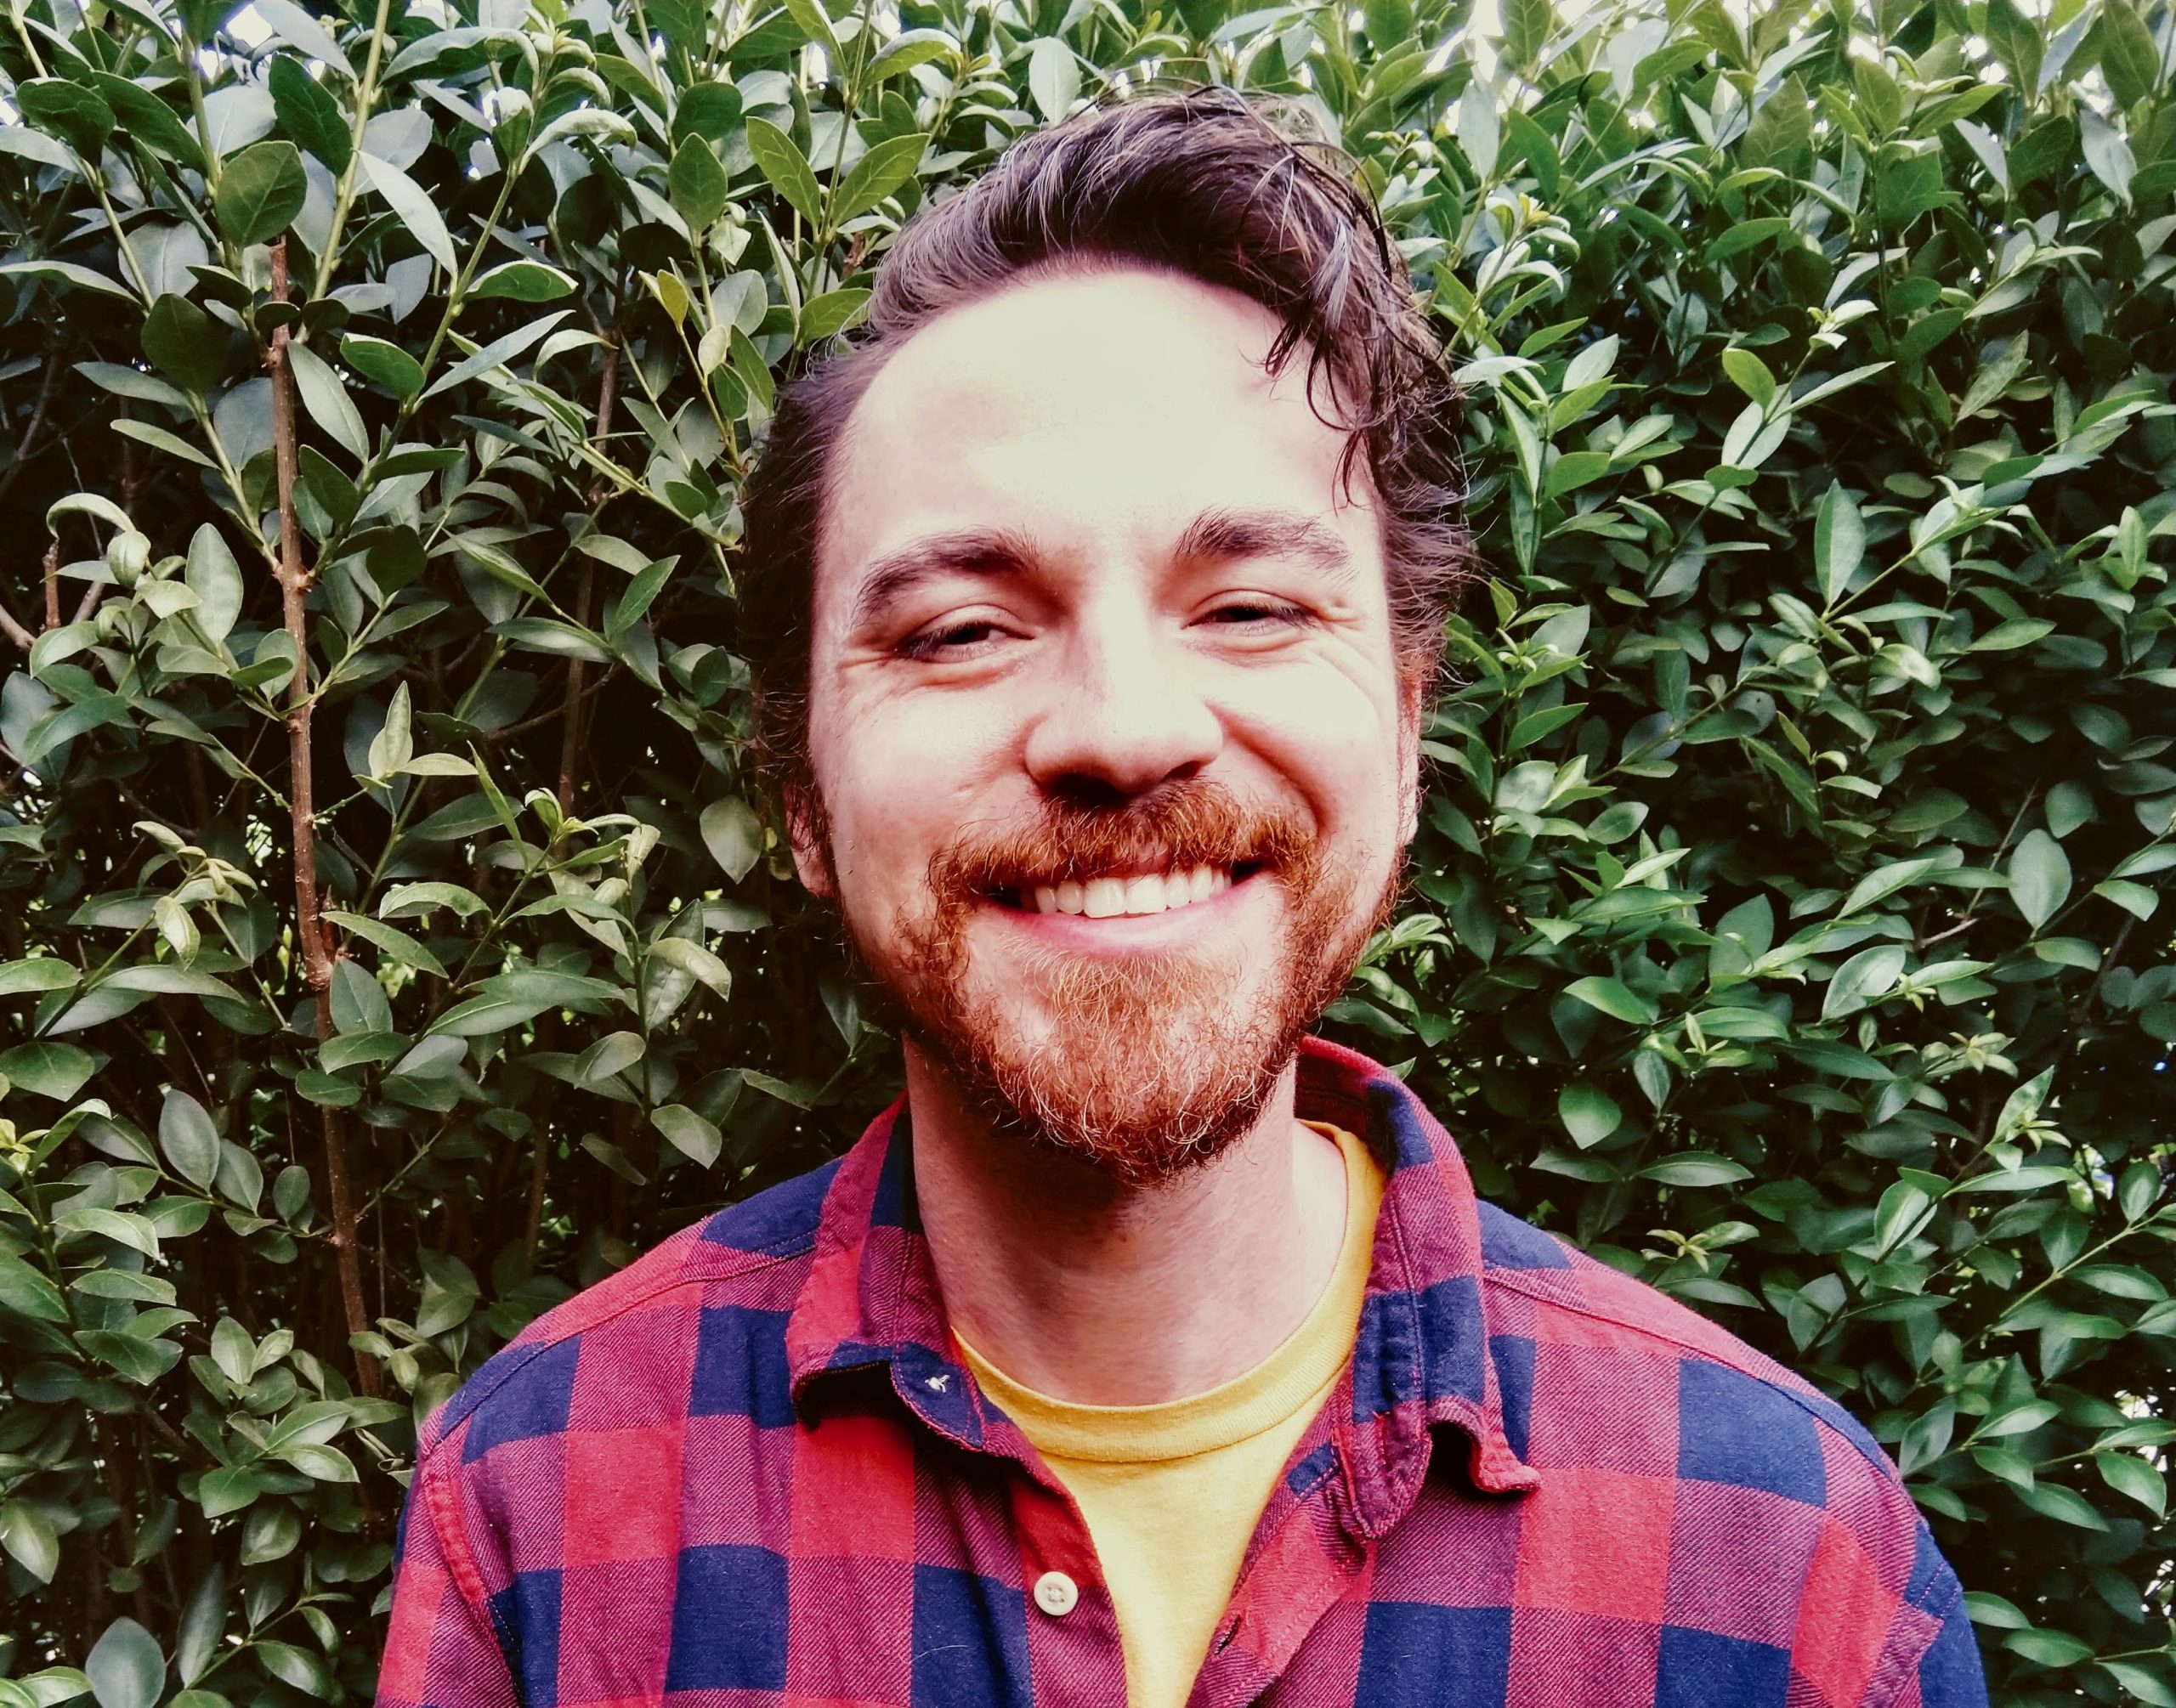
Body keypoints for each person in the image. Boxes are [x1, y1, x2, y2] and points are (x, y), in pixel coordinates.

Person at [377, 88, 1987, 1708]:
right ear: (800, 791)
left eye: (1251, 606)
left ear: (1409, 733)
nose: (1125, 729)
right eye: (958, 628)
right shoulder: (539, 1506)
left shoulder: (1791, 1567)